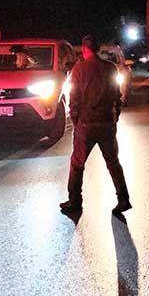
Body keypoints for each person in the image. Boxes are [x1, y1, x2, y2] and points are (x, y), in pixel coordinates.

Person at [60, 35, 131, 216]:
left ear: (85, 49)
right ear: (98, 49)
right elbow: (117, 95)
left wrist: (76, 121)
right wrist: (115, 116)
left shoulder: (79, 69)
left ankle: (75, 200)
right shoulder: (110, 68)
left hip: (86, 124)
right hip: (106, 123)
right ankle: (123, 198)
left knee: (77, 164)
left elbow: (74, 98)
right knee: (113, 162)